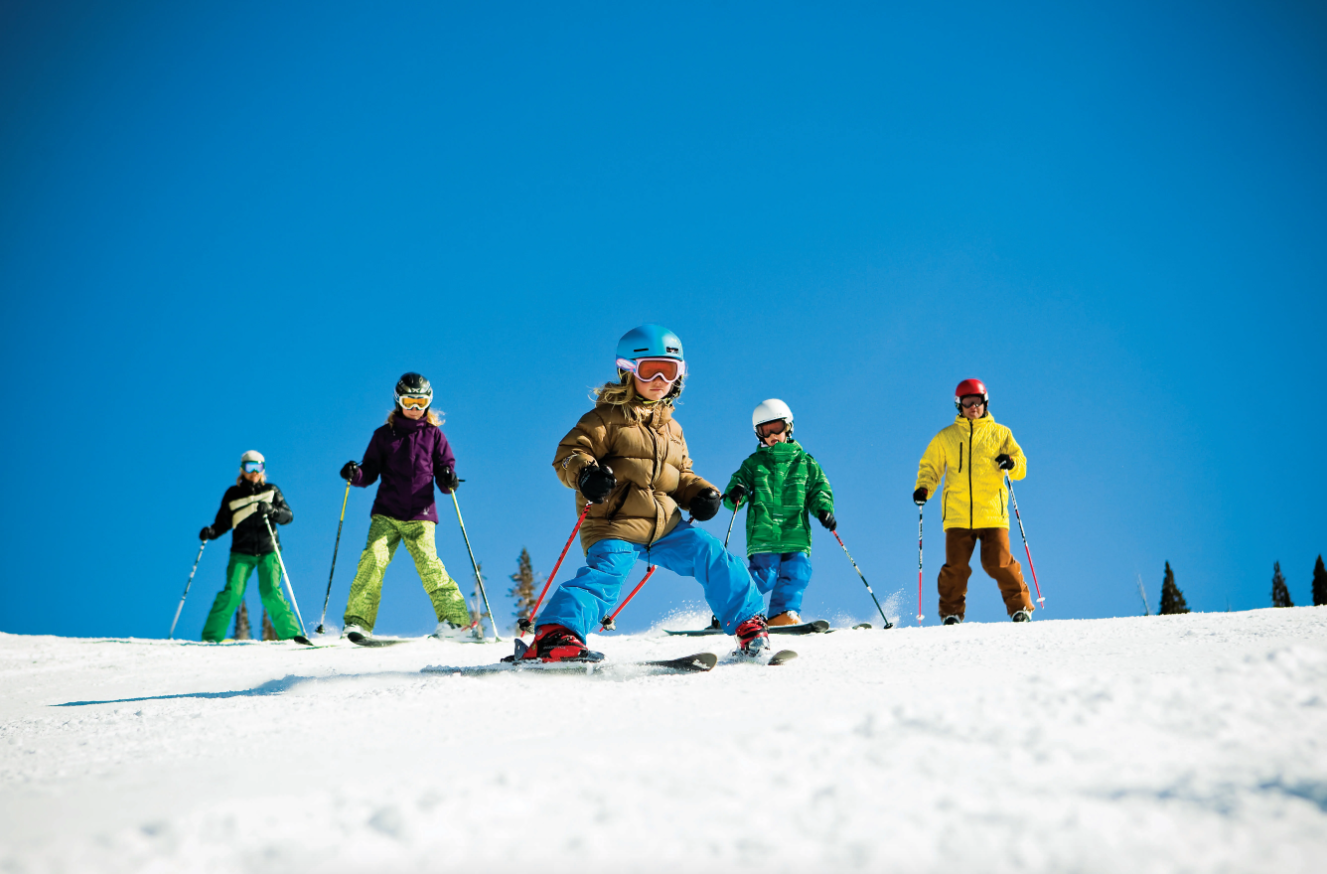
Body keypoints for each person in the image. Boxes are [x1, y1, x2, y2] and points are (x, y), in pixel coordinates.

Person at [527, 324, 771, 661]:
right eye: (649, 370)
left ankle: (749, 625)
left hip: (665, 527)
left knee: (712, 554)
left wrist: (700, 493)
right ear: (627, 371)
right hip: (614, 524)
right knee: (606, 576)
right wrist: (586, 474)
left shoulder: (673, 429)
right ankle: (557, 634)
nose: (659, 379)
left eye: (668, 371)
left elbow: (680, 475)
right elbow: (570, 453)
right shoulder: (605, 418)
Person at [339, 373, 474, 640]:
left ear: (428, 403)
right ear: (398, 401)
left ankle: (455, 622)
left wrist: (448, 478)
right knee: (372, 561)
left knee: (429, 565)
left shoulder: (434, 435)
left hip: (421, 514)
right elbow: (369, 471)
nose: (414, 408)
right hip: (387, 513)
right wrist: (355, 474)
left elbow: (445, 473)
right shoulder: (383, 436)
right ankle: (357, 624)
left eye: (420, 403)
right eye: (409, 401)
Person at [913, 379, 1034, 624]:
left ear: (985, 402)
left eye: (977, 402)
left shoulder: (1001, 433)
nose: (973, 407)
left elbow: (1021, 466)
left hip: (992, 512)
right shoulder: (946, 437)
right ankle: (951, 613)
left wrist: (1011, 462)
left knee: (998, 563)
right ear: (959, 405)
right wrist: (924, 488)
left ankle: (1020, 608)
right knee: (955, 566)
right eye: (967, 403)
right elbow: (930, 467)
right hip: (957, 514)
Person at [722, 399, 835, 627]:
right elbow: (738, 484)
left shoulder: (805, 463)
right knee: (764, 576)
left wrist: (823, 509)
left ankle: (782, 614)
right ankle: (733, 612)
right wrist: (737, 492)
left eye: (777, 427)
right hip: (764, 534)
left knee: (798, 573)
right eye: (766, 430)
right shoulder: (754, 464)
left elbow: (818, 489)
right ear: (759, 434)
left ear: (788, 427)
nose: (773, 435)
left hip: (796, 533)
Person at [198, 450, 302, 642]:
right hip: (241, 553)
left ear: (263, 470)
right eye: (250, 467)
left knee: (271, 592)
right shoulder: (233, 494)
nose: (254, 472)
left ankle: (292, 636)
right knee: (232, 593)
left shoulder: (271, 490)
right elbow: (223, 523)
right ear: (242, 470)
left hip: (269, 550)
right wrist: (211, 532)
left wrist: (272, 510)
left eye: (258, 467)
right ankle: (211, 637)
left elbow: (288, 516)